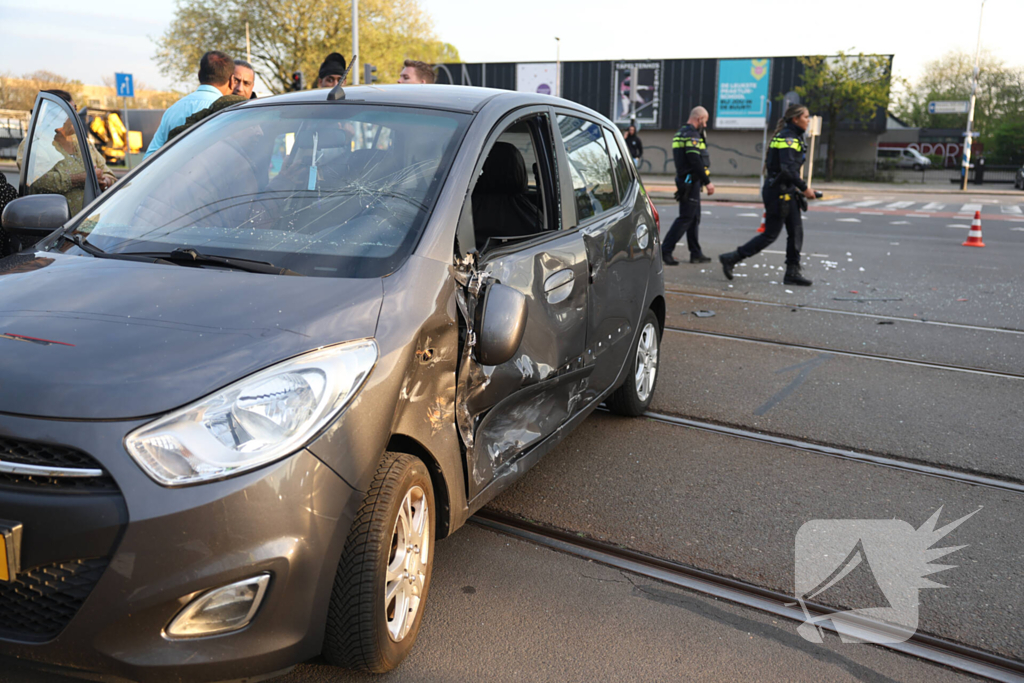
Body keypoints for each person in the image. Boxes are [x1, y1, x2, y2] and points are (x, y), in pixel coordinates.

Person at [719, 104, 816, 287]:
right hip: (778, 193)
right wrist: (805, 188)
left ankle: (792, 272)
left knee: (796, 232)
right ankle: (731, 258)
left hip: (786, 191)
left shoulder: (792, 136)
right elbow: (788, 169)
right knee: (770, 234)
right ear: (795, 119)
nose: (808, 120)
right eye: (806, 117)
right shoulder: (788, 138)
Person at [15, 89, 117, 216]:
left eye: (76, 109)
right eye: (71, 111)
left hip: (91, 225)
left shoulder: (83, 141)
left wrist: (104, 182)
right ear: (54, 116)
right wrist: (81, 178)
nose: (76, 115)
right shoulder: (33, 144)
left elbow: (109, 174)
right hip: (56, 228)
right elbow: (37, 181)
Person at [145, 51, 234, 159]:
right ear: (231, 81)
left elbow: (150, 157)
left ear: (199, 75)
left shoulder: (172, 110)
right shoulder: (229, 111)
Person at [661, 106, 715, 265]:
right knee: (686, 217)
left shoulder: (680, 133)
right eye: (705, 121)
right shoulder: (692, 134)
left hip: (686, 179)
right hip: (690, 180)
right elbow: (695, 160)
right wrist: (708, 182)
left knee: (694, 217)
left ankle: (696, 253)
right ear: (699, 119)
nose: (705, 125)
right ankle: (666, 250)